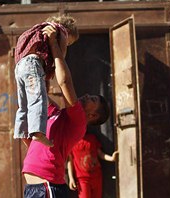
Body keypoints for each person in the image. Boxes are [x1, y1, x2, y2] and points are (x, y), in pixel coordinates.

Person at [22, 24, 110, 197]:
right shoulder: (55, 113)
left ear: (92, 115)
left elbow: (64, 83)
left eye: (92, 99)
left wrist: (55, 45)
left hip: (47, 187)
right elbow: (37, 92)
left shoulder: (78, 121)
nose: (86, 95)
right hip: (37, 188)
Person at [13, 15, 79, 147]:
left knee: (24, 104)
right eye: (69, 42)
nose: (68, 44)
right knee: (38, 99)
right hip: (33, 64)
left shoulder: (39, 28)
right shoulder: (60, 31)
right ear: (68, 31)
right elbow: (60, 57)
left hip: (20, 66)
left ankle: (22, 132)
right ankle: (38, 133)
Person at [67, 129, 118, 198]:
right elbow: (70, 161)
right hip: (83, 179)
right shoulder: (71, 142)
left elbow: (100, 154)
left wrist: (111, 158)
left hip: (97, 176)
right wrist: (71, 178)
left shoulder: (92, 138)